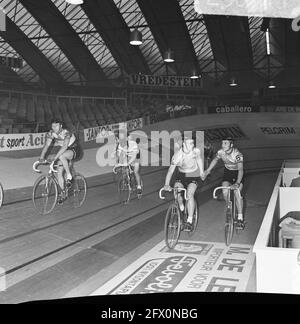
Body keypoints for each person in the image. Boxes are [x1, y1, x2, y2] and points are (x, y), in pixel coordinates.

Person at [163, 132, 204, 230]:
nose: (193, 145)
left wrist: (202, 172)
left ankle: (189, 220)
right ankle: (181, 207)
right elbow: (170, 171)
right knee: (176, 193)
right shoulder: (177, 156)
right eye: (190, 143)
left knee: (189, 195)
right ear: (184, 144)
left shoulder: (196, 151)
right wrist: (166, 184)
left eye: (193, 143)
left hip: (193, 175)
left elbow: (199, 161)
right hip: (181, 175)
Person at [204, 137, 244, 227]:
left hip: (237, 174)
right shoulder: (220, 152)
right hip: (228, 173)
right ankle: (228, 206)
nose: (223, 145)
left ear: (231, 145)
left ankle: (240, 218)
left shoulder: (237, 154)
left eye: (225, 143)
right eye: (222, 143)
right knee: (225, 192)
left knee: (237, 194)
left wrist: (237, 183)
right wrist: (208, 170)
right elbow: (215, 160)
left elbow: (241, 170)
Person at [39, 119, 81, 204]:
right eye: (53, 126)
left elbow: (65, 146)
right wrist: (41, 157)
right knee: (59, 173)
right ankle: (63, 193)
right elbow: (46, 145)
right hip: (64, 151)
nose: (54, 127)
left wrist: (55, 159)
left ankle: (69, 176)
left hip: (74, 149)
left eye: (56, 125)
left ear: (61, 126)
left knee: (61, 156)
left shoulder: (66, 132)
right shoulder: (51, 133)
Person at [115, 130, 142, 195]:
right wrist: (117, 163)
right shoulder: (120, 145)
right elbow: (118, 154)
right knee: (124, 168)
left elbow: (134, 156)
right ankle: (126, 178)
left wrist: (128, 163)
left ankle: (139, 186)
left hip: (135, 156)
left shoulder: (133, 143)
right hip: (128, 155)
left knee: (135, 171)